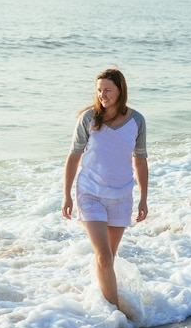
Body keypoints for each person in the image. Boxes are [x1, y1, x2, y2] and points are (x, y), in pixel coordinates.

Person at [61, 68, 149, 311]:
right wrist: (67, 194)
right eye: (99, 90)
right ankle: (114, 312)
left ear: (121, 91)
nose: (102, 95)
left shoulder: (136, 121)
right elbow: (73, 157)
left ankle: (100, 298)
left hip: (121, 196)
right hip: (90, 193)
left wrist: (143, 198)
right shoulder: (88, 119)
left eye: (108, 90)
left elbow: (140, 159)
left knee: (109, 256)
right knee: (104, 257)